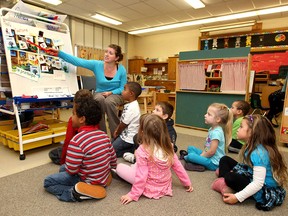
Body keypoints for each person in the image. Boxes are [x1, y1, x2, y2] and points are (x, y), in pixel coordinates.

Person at [44, 95, 117, 202]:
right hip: (102, 175)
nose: (71, 117)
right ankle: (102, 180)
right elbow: (113, 159)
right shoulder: (104, 135)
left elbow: (72, 170)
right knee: (62, 168)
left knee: (48, 182)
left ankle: (75, 193)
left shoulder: (77, 140)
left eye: (73, 114)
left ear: (82, 119)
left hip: (87, 179)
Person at [46, 44, 127, 136]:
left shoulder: (121, 69)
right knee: (98, 100)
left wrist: (111, 92)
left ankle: (116, 133)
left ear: (116, 58)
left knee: (109, 102)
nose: (106, 54)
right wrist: (60, 53)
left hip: (116, 94)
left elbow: (122, 88)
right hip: (100, 92)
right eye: (106, 51)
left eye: (110, 53)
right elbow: (78, 61)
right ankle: (101, 134)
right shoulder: (97, 65)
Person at [211, 114, 288, 211]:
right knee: (224, 159)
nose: (238, 129)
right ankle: (225, 181)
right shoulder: (252, 145)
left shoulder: (259, 153)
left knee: (231, 177)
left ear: (252, 132)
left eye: (241, 127)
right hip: (252, 173)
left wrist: (237, 197)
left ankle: (226, 182)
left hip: (263, 188)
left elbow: (258, 183)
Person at [115, 114, 193, 205]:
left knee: (119, 167)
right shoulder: (169, 146)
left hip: (149, 186)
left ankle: (133, 165)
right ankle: (134, 165)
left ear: (143, 132)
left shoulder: (142, 150)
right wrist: (187, 182)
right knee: (139, 166)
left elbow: (142, 176)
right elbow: (178, 166)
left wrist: (133, 195)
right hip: (164, 183)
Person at [180, 103, 233, 171]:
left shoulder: (216, 133)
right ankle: (195, 162)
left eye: (209, 114)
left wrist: (200, 156)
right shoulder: (211, 129)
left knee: (191, 156)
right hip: (208, 155)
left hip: (214, 163)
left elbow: (211, 152)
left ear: (218, 119)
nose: (205, 115)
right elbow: (208, 146)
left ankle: (187, 159)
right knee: (190, 148)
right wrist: (203, 153)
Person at [48, 89, 96, 165]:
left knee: (53, 153)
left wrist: (63, 162)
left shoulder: (73, 120)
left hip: (78, 152)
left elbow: (68, 141)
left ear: (75, 104)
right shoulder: (94, 116)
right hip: (92, 150)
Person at [112, 82, 142, 157]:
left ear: (131, 93)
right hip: (124, 135)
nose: (122, 91)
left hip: (128, 138)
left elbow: (123, 124)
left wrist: (117, 132)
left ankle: (133, 150)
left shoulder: (132, 108)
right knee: (110, 146)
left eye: (124, 89)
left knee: (111, 152)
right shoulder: (131, 104)